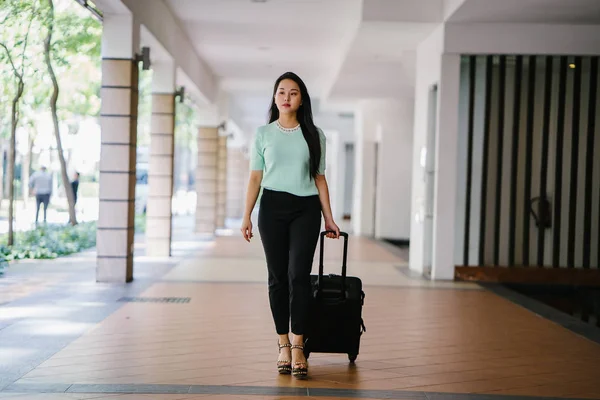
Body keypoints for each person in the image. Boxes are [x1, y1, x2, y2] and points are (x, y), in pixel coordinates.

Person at [240, 72, 340, 379]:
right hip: (271, 208)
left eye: (293, 92)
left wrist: (329, 217)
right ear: (274, 98)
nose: (286, 97)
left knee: (298, 275)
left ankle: (298, 345)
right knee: (277, 277)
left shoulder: (314, 135)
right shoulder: (262, 134)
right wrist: (246, 215)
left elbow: (320, 178)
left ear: (301, 99)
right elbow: (255, 177)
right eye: (281, 92)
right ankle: (282, 343)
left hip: (305, 209)